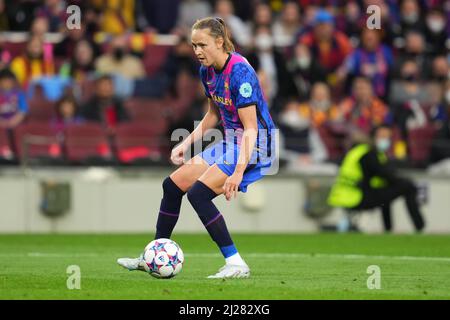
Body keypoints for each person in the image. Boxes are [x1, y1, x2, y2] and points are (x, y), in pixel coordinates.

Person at [117, 17, 277, 278]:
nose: (197, 51)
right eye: (193, 46)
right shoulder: (207, 71)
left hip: (257, 143)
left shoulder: (240, 72)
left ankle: (236, 263)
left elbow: (251, 128)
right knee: (172, 186)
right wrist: (187, 143)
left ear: (219, 41)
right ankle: (153, 255)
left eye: (202, 45)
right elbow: (213, 113)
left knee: (198, 194)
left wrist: (237, 173)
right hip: (231, 140)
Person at [327, 125, 425, 233]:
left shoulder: (359, 151)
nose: (385, 140)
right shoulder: (369, 154)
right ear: (373, 137)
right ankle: (419, 227)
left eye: (387, 137)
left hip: (342, 195)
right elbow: (387, 176)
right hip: (356, 197)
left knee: (387, 190)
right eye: (382, 136)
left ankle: (388, 230)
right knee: (408, 186)